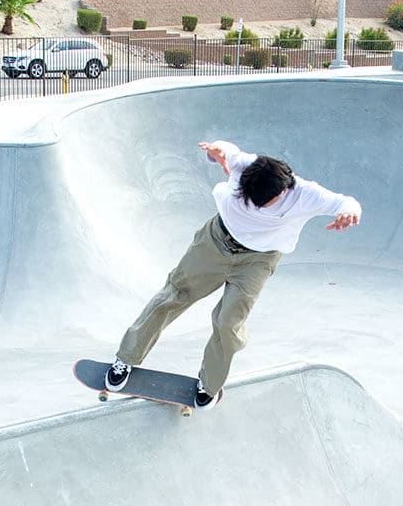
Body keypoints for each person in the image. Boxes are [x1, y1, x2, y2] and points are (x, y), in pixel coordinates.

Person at [104, 140, 361, 409]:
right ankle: (127, 357)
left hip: (257, 261)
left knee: (228, 322)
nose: (256, 207)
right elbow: (225, 149)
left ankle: (210, 383)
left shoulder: (306, 194)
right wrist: (216, 150)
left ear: (283, 191)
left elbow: (346, 202)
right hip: (214, 243)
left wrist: (349, 213)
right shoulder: (244, 167)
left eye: (264, 203)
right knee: (173, 295)